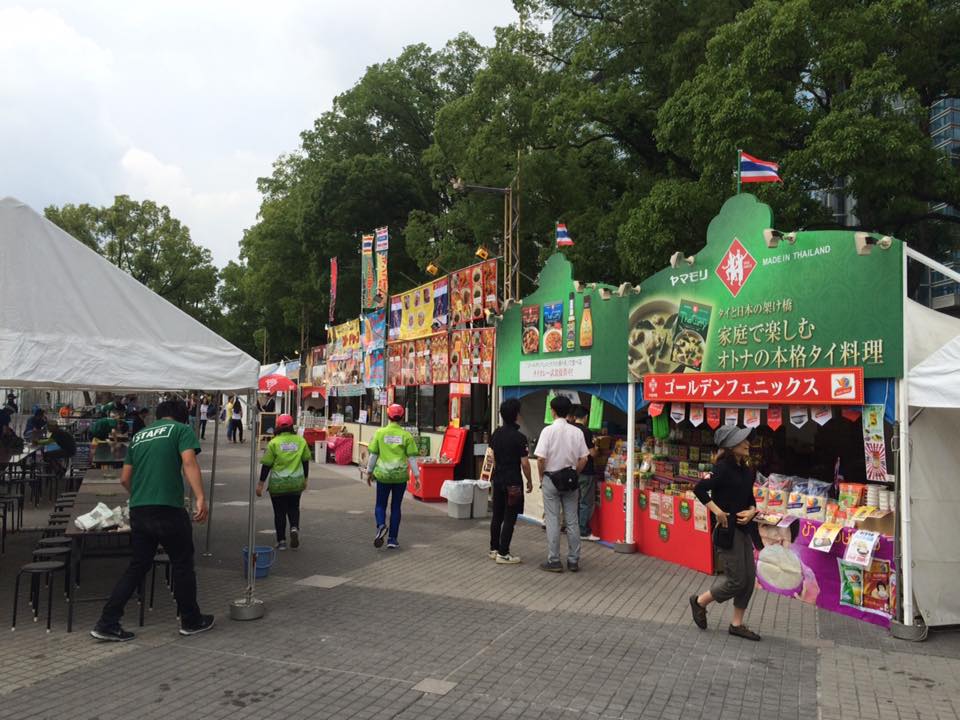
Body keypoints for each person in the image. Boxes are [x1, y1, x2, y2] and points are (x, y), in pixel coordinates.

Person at [90, 399, 213, 642]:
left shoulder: (139, 436)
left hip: (139, 509)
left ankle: (107, 622)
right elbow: (189, 462)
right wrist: (200, 498)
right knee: (181, 564)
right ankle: (190, 619)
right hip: (169, 508)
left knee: (138, 566)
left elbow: (125, 479)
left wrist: (142, 495)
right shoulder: (181, 430)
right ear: (181, 416)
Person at [690, 425, 762, 641]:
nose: (748, 443)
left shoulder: (747, 471)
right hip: (727, 533)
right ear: (731, 445)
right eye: (743, 440)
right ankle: (700, 601)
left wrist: (752, 512)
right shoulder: (722, 468)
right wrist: (718, 512)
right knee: (736, 580)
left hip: (744, 530)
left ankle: (736, 624)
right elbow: (699, 489)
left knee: (749, 579)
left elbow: (750, 500)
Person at [534, 395, 589, 573]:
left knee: (553, 519)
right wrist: (575, 473)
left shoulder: (547, 431)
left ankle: (554, 560)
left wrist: (541, 477)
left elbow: (541, 458)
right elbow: (584, 458)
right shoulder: (577, 432)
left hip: (551, 478)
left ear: (553, 411)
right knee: (572, 520)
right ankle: (573, 560)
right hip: (571, 480)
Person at [363, 403, 418, 549]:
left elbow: (374, 455)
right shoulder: (406, 435)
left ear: (387, 416)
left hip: (383, 476)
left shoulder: (380, 433)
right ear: (401, 417)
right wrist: (417, 477)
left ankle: (381, 525)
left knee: (380, 504)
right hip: (400, 476)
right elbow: (412, 458)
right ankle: (392, 539)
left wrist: (369, 472)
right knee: (396, 507)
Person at [256, 414, 311, 550]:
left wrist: (261, 484)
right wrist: (305, 479)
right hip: (295, 482)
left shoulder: (274, 443)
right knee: (294, 508)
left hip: (278, 484)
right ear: (292, 426)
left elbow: (267, 465)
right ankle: (294, 527)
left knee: (279, 513)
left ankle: (281, 542)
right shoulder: (300, 441)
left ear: (278, 427)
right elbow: (305, 462)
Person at [488, 399, 532, 564]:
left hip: (498, 479)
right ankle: (503, 553)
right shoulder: (520, 437)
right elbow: (525, 463)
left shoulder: (496, 433)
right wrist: (530, 481)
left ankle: (494, 549)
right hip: (513, 481)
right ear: (516, 415)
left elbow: (492, 456)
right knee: (510, 517)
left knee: (497, 515)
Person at [570, 404, 600, 542]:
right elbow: (592, 453)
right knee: (586, 502)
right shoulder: (586, 432)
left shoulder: (569, 430)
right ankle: (583, 531)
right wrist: (597, 447)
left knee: (573, 501)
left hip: (571, 470)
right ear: (586, 418)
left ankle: (573, 528)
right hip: (586, 471)